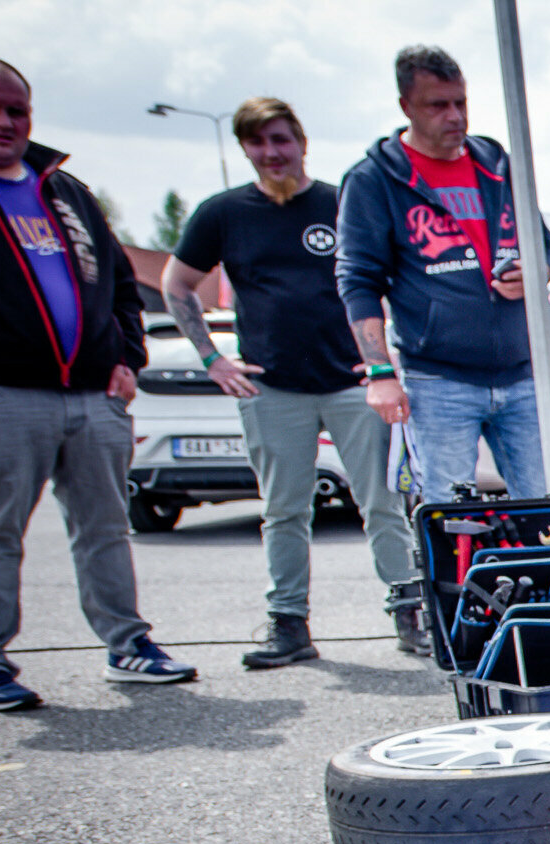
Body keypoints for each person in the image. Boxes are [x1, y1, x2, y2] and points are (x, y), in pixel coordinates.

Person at [164, 96, 428, 668]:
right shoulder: (223, 213)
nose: (271, 152)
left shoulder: (341, 204)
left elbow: (391, 280)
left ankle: (410, 612)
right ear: (245, 149)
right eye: (258, 143)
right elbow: (178, 284)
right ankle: (288, 623)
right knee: (284, 509)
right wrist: (213, 359)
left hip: (352, 383)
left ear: (301, 141)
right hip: (273, 386)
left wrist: (384, 361)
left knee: (382, 501)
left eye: (281, 139)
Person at [0, 55, 197, 711]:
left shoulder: (65, 190)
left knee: (105, 527)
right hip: (3, 394)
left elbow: (123, 283)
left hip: (94, 395)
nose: (4, 121)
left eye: (16, 109)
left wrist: (129, 356)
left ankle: (129, 645)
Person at [334, 44, 550, 504]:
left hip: (523, 373)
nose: (454, 116)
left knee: (549, 509)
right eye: (438, 105)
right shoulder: (374, 180)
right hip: (440, 381)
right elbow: (358, 281)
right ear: (406, 107)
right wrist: (380, 371)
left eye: (461, 102)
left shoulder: (496, 164)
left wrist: (537, 272)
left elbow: (548, 248)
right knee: (450, 518)